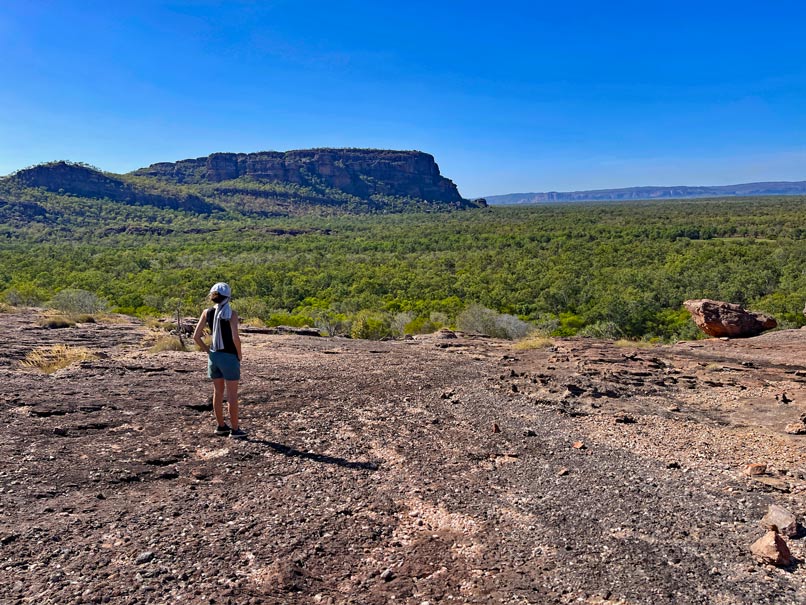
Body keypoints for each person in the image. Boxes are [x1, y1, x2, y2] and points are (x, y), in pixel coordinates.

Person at [193, 282, 245, 439]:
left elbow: (196, 336)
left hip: (214, 356)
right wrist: (239, 354)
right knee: (232, 395)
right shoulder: (231, 314)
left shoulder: (206, 313)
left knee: (218, 392)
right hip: (228, 357)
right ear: (228, 297)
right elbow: (236, 338)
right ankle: (235, 430)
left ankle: (221, 426)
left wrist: (208, 351)